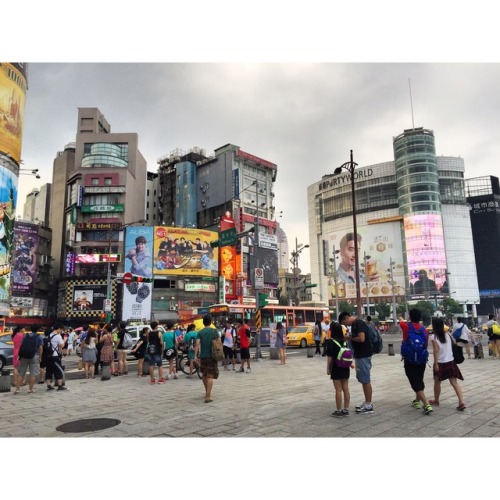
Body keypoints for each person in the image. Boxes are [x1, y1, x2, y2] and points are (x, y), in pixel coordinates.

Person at [399, 309, 433, 415]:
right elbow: (425, 345)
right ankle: (417, 401)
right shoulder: (424, 330)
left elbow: (401, 321)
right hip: (421, 359)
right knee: (419, 379)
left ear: (410, 316)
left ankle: (426, 404)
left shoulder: (406, 327)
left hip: (410, 359)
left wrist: (401, 318)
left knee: (415, 382)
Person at [338, 311, 373, 413]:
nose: (346, 325)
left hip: (363, 355)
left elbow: (361, 339)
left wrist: (349, 337)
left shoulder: (358, 323)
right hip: (360, 355)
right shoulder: (355, 324)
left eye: (345, 323)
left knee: (365, 379)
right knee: (363, 379)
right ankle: (367, 402)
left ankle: (369, 405)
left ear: (346, 318)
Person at [429, 317, 466, 410]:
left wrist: (435, 364)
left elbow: (435, 350)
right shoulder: (448, 334)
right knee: (454, 382)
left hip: (441, 362)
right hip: (450, 361)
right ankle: (461, 402)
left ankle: (436, 400)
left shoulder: (434, 336)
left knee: (437, 382)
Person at [328, 322, 352, 417]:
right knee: (345, 388)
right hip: (345, 367)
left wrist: (328, 369)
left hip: (336, 367)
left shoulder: (331, 342)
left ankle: (338, 410)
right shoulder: (345, 341)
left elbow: (329, 357)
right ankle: (346, 409)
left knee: (338, 390)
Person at [194, 314, 219, 403]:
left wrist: (195, 356)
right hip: (212, 356)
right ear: (211, 321)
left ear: (203, 322)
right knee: (210, 375)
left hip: (203, 356)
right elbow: (219, 343)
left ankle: (206, 392)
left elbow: (197, 344)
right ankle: (208, 396)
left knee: (204, 375)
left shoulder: (200, 332)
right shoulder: (214, 331)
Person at [14, 325, 43, 395]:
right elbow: (41, 348)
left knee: (21, 373)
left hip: (24, 356)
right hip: (34, 356)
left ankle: (17, 389)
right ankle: (30, 389)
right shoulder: (39, 337)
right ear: (38, 329)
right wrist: (40, 357)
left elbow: (22, 345)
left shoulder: (25, 335)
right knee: (33, 373)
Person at [45, 323, 67, 391]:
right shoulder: (58, 336)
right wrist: (65, 340)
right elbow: (62, 345)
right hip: (55, 356)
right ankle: (59, 385)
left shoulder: (49, 335)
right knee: (58, 370)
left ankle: (48, 385)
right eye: (61, 329)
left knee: (49, 370)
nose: (61, 331)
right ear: (59, 329)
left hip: (48, 355)